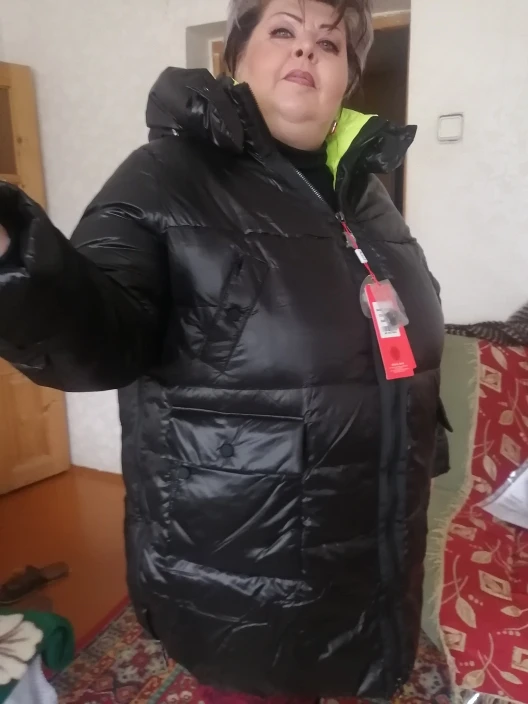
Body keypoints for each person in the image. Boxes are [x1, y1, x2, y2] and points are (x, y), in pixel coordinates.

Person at [0, 0, 448, 700]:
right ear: (236, 58)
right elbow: (99, 335)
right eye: (283, 30)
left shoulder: (365, 193)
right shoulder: (164, 175)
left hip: (370, 549)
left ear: (346, 79)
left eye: (329, 43)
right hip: (244, 569)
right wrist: (12, 256)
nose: (306, 51)